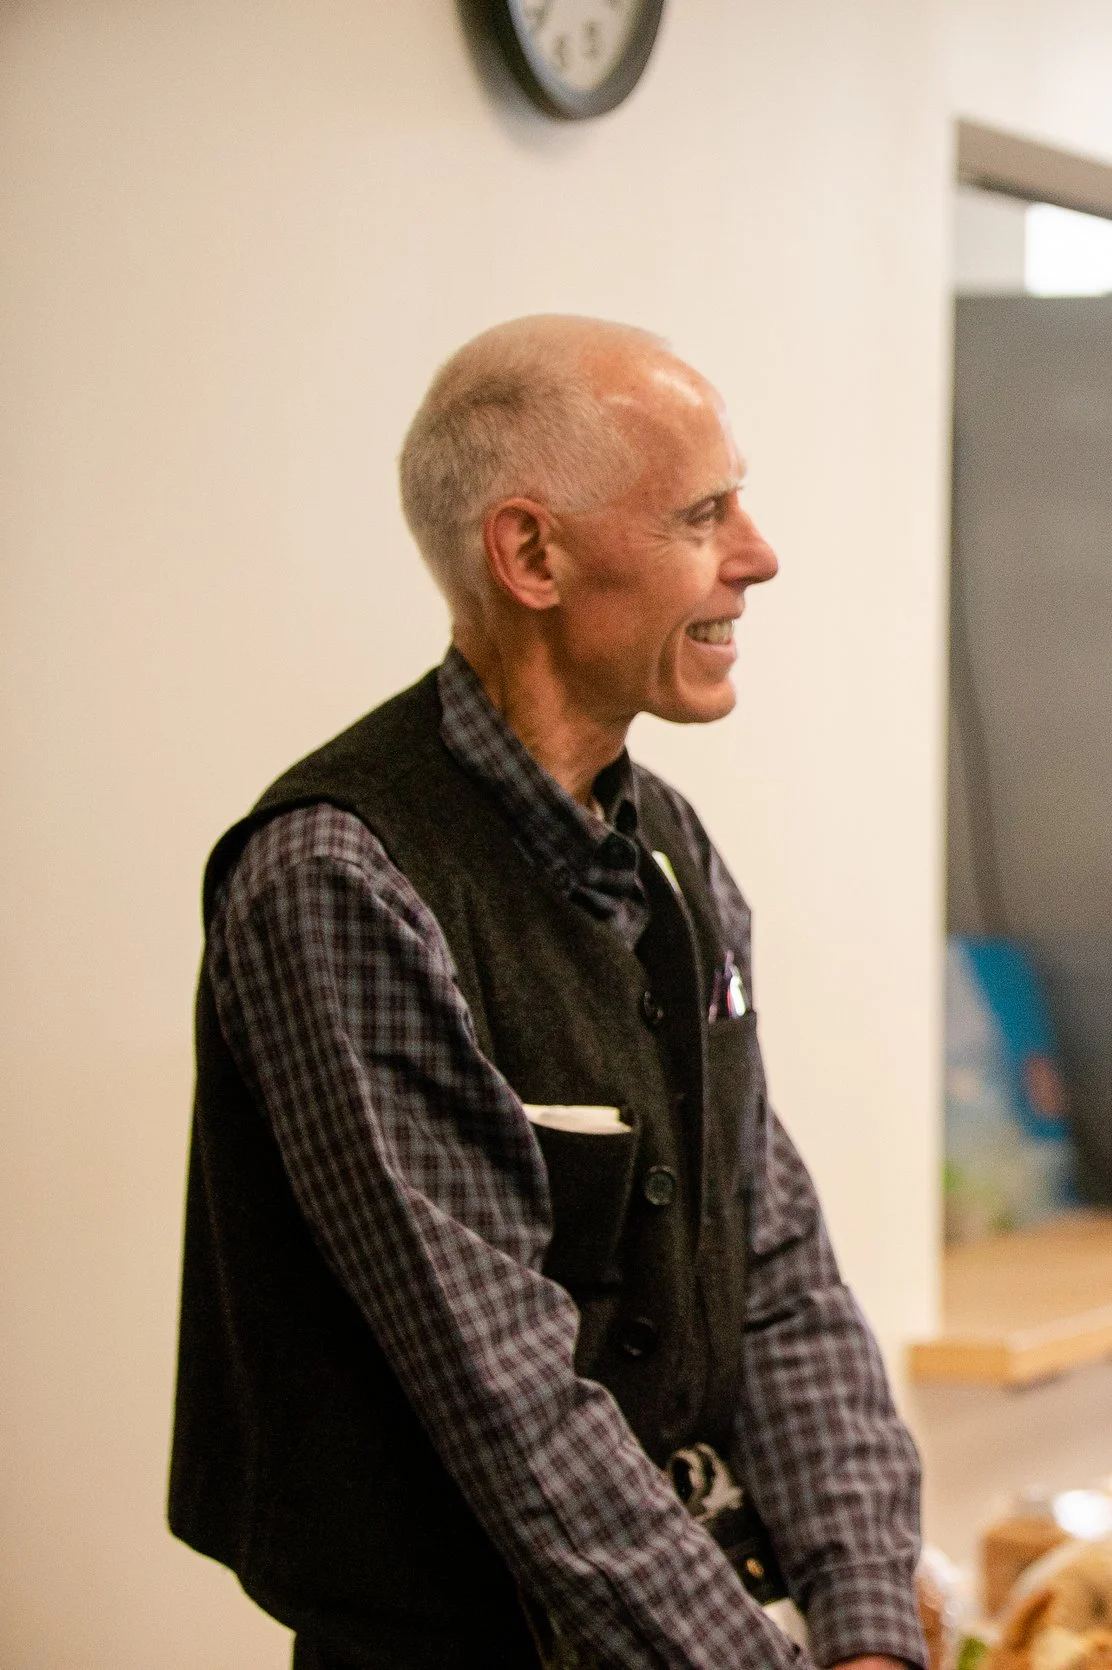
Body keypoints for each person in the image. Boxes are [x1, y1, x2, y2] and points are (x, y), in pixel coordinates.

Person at [170, 317, 924, 1670]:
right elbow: (508, 1397)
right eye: (704, 513)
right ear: (532, 554)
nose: (757, 555)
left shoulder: (674, 853)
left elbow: (773, 1269)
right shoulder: (341, 881)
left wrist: (867, 1620)